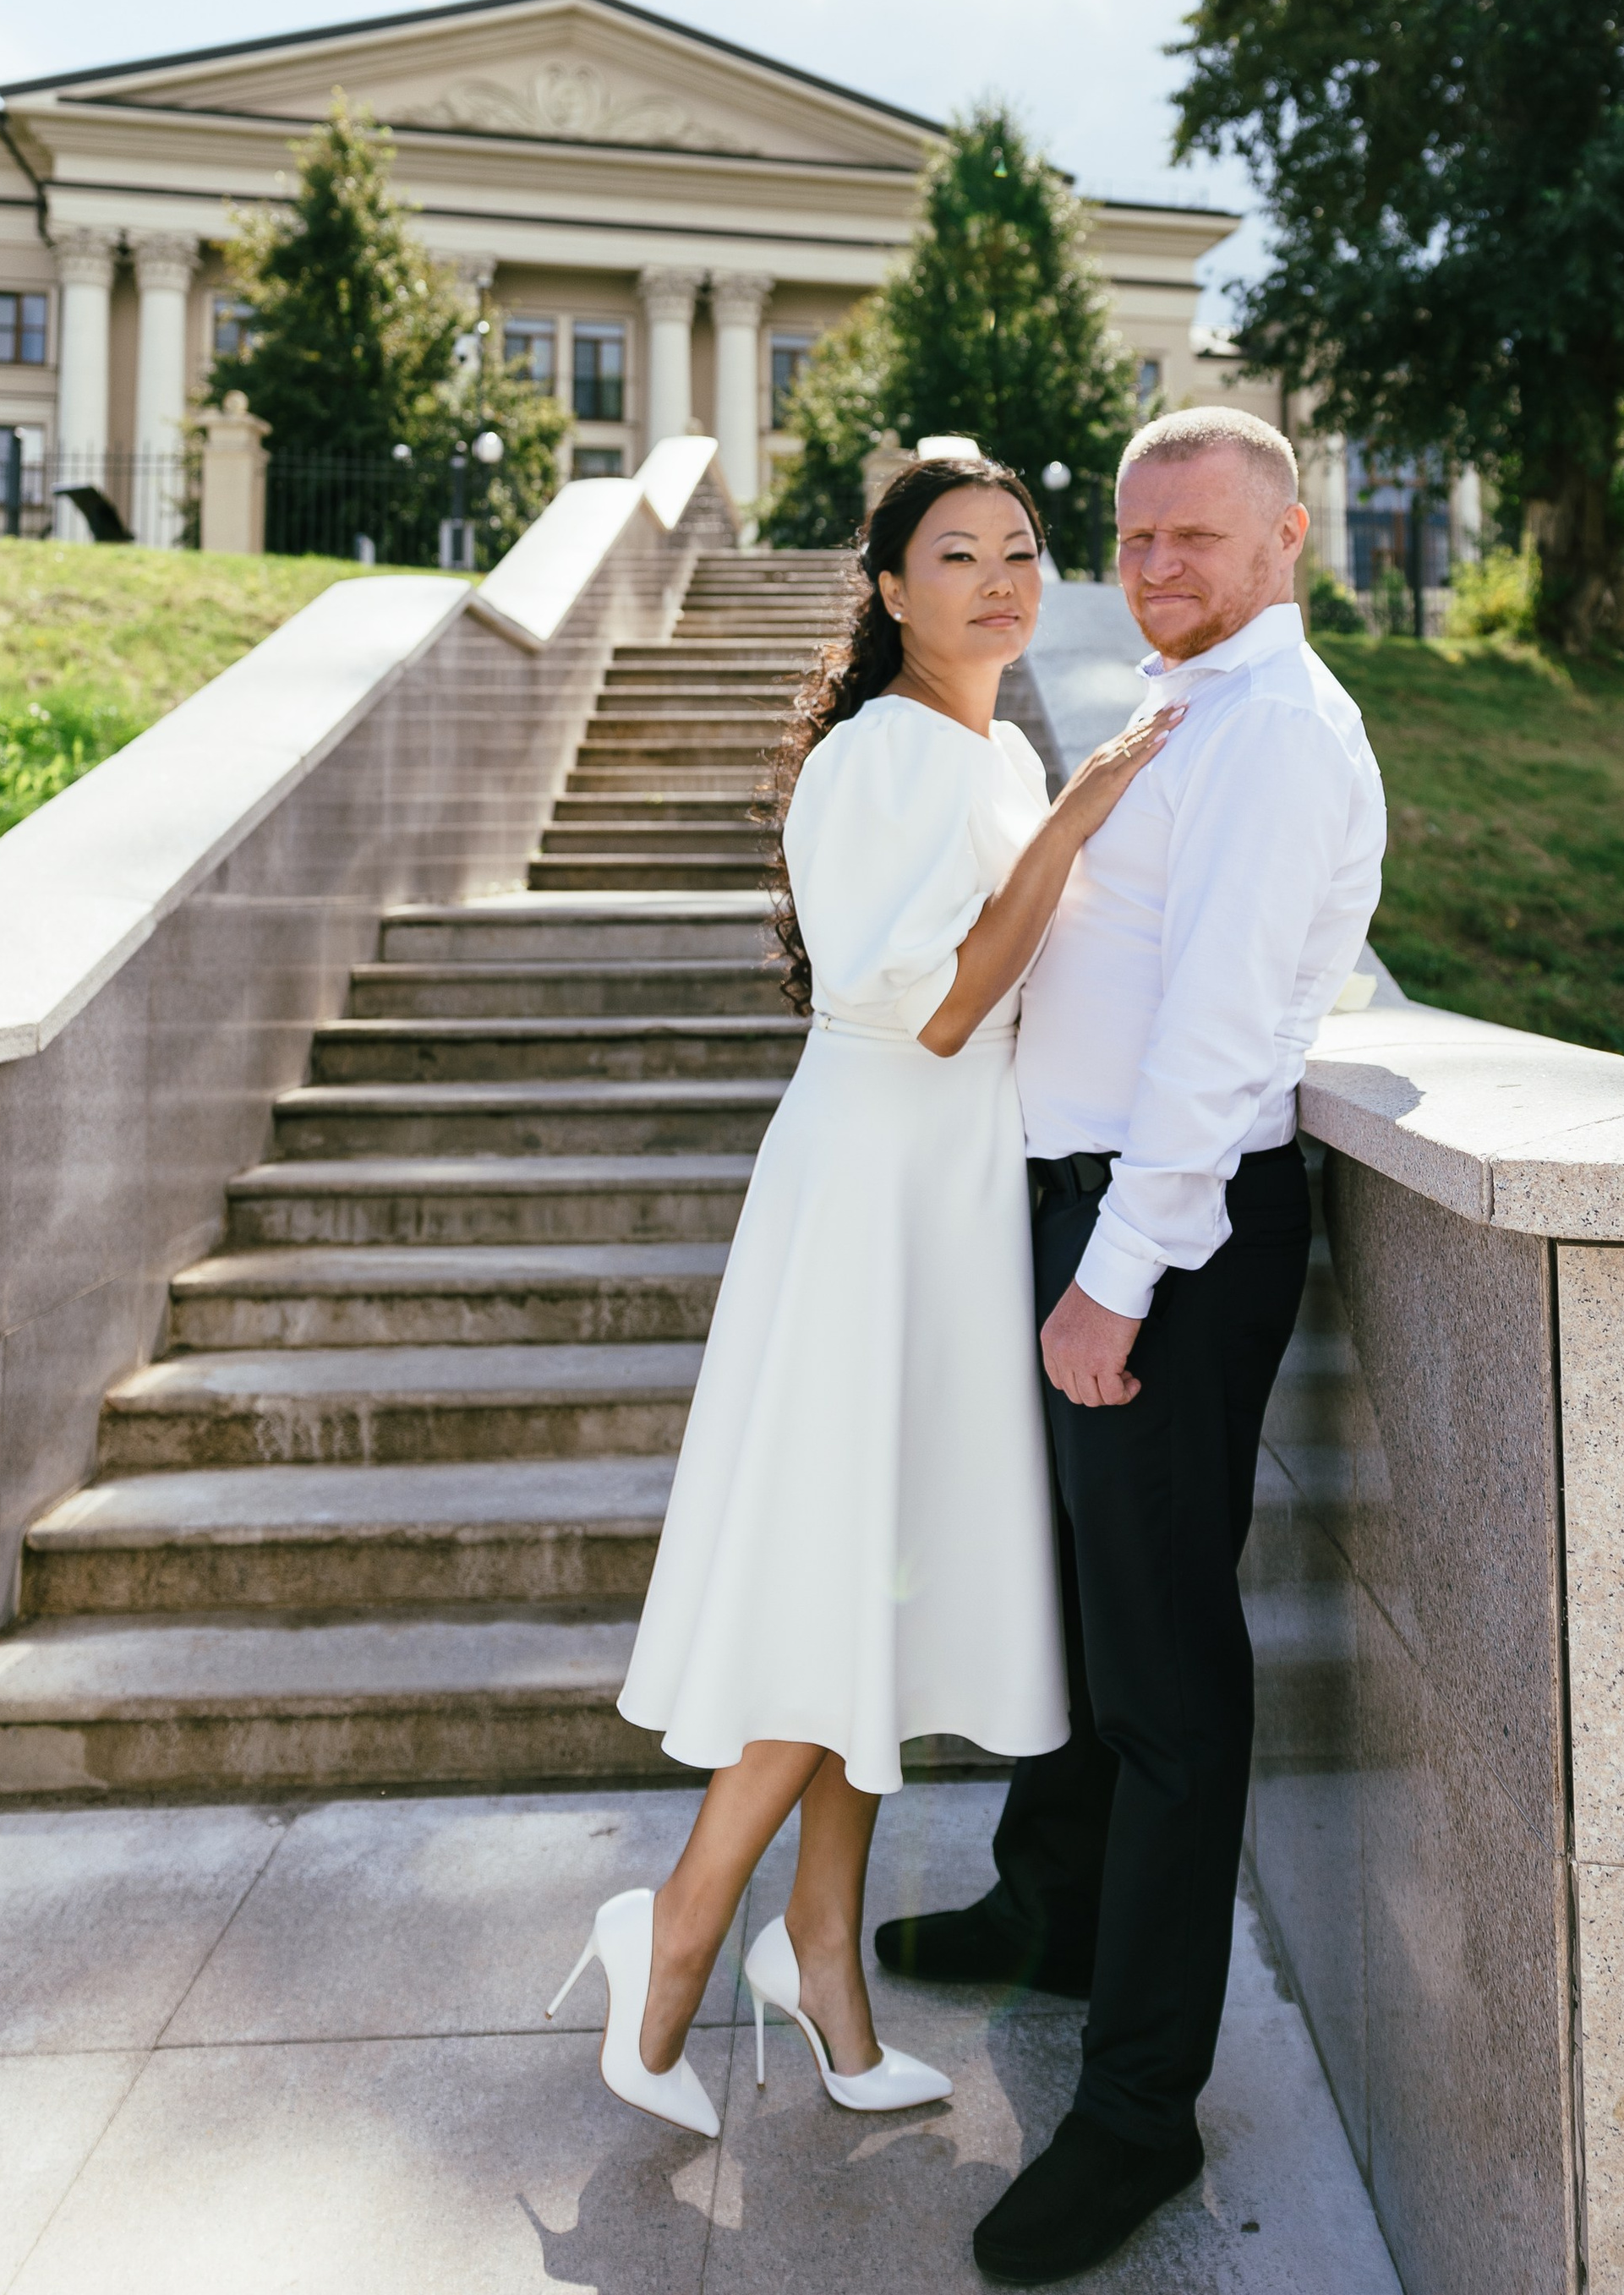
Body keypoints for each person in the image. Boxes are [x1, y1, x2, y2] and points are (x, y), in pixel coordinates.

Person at [546, 454, 1182, 2138]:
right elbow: (935, 1012)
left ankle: (819, 1958)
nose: (995, 578)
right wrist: (1076, 821)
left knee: (878, 1598)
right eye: (951, 554)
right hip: (865, 1198)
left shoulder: (999, 749)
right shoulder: (878, 756)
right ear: (888, 591)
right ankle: (674, 1930)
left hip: (952, 1202)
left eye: (1020, 552)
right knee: (836, 1573)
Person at [878, 406, 1388, 2287]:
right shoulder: (1179, 705)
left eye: (1195, 538)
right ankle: (1052, 1910)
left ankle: (1135, 2107)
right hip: (1074, 1208)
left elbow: (1228, 1043)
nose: (1154, 569)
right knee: (1086, 1614)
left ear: (1285, 538)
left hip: (1161, 1233)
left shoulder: (1277, 733)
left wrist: (1116, 1275)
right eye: (1135, 538)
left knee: (1166, 1676)